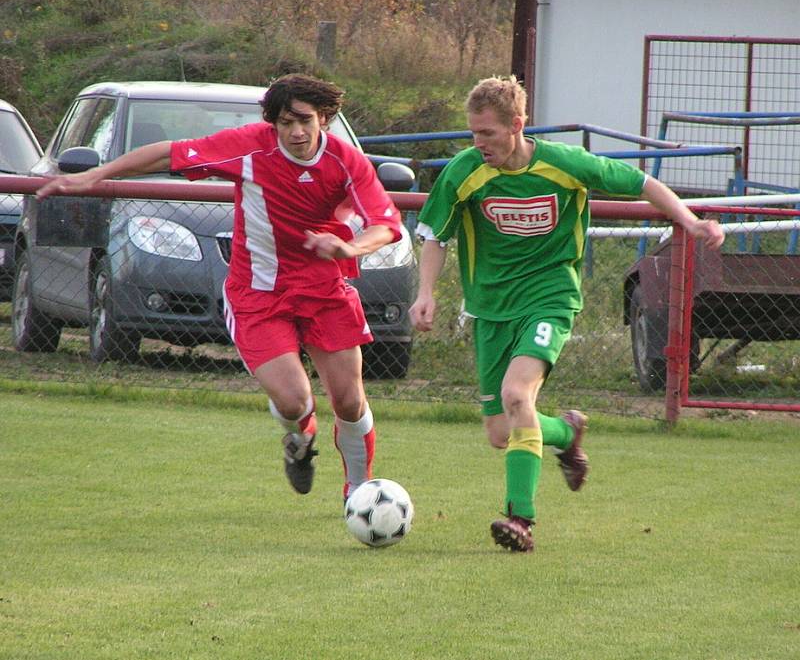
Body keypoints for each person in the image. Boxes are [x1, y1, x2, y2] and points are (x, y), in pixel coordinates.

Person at [37, 74, 403, 500]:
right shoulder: (251, 145)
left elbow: (385, 224)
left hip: (325, 291)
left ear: (324, 118)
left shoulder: (346, 160)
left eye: (304, 120)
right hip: (258, 295)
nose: (295, 131)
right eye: (284, 122)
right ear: (273, 122)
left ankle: (359, 492)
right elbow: (166, 155)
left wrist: (348, 247)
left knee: (349, 402)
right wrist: (94, 176)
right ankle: (299, 443)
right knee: (293, 401)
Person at [409, 76, 725, 553]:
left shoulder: (564, 164)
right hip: (491, 307)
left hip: (549, 296)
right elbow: (436, 234)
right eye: (473, 134)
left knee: (517, 394)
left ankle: (521, 520)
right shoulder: (464, 171)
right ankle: (566, 432)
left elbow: (642, 183)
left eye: (488, 134)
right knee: (501, 432)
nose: (479, 144)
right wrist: (426, 291)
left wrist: (689, 219)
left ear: (516, 126)